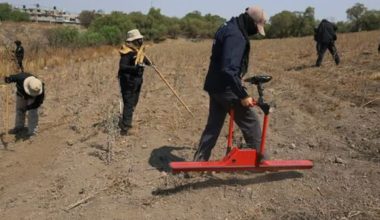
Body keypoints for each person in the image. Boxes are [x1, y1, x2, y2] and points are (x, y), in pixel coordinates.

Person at [193, 6, 267, 162]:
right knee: (251, 122)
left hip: (215, 85)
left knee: (213, 127)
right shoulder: (236, 35)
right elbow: (228, 69)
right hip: (226, 87)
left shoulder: (228, 26)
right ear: (250, 21)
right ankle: (262, 162)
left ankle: (198, 162)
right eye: (256, 27)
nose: (255, 32)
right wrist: (243, 94)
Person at [118, 29, 151, 135]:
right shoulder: (127, 52)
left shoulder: (138, 51)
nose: (141, 40)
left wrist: (150, 63)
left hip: (137, 80)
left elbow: (145, 60)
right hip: (128, 81)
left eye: (141, 39)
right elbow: (122, 67)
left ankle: (126, 120)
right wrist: (135, 68)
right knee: (129, 103)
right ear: (134, 40)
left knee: (134, 102)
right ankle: (126, 128)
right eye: (139, 39)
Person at [4, 72, 45, 136]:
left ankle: (32, 132)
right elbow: (12, 78)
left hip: (33, 98)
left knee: (32, 112)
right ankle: (19, 127)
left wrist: (28, 107)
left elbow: (37, 103)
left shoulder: (39, 87)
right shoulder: (21, 77)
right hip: (21, 95)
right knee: (20, 110)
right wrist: (8, 79)